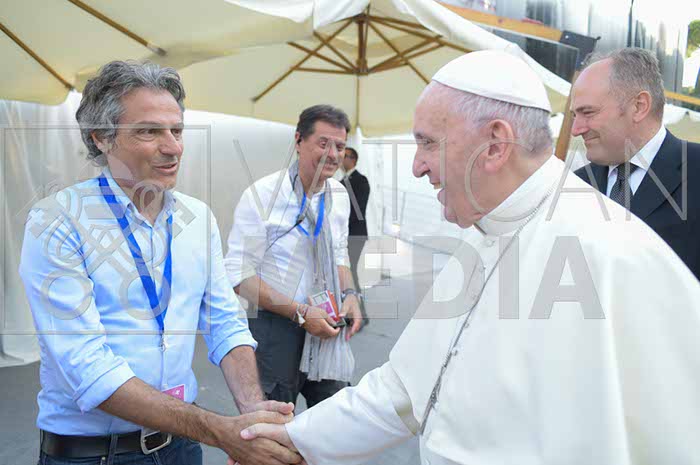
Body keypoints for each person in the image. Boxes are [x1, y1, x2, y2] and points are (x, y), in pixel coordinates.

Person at [235, 50, 700, 464]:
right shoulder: (485, 233)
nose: (417, 165)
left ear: (495, 144)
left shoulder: (613, 254)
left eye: (428, 143)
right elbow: (403, 390)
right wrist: (290, 437)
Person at [19, 61, 300, 465]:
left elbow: (225, 321)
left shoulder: (197, 217)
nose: (173, 147)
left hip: (181, 446)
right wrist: (220, 432)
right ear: (101, 137)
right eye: (149, 131)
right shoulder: (57, 221)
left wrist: (252, 413)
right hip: (97, 455)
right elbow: (87, 368)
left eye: (177, 130)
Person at [224, 105, 363, 410]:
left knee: (334, 419)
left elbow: (339, 253)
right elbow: (238, 274)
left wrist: (351, 294)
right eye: (323, 143)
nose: (333, 155)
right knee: (275, 423)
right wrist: (300, 313)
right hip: (275, 329)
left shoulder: (339, 195)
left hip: (327, 324)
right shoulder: (263, 195)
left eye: (340, 146)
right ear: (299, 141)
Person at [572, 48, 700, 279]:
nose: (576, 129)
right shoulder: (577, 185)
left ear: (639, 106)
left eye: (588, 112)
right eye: (574, 115)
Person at [341, 147, 371, 324]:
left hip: (355, 234)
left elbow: (357, 210)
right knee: (346, 272)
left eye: (344, 155)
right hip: (344, 235)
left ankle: (361, 314)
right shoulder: (340, 182)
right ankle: (352, 313)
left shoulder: (361, 181)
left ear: (353, 159)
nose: (340, 158)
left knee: (350, 272)